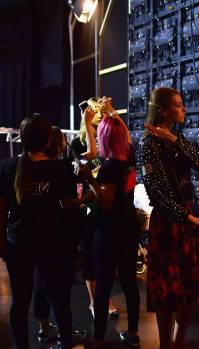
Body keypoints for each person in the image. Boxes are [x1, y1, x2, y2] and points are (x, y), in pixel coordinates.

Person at [0, 114, 88, 349]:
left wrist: (1, 241)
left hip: (17, 244)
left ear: (21, 139)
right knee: (59, 297)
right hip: (53, 243)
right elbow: (68, 204)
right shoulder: (59, 169)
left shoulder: (5, 167)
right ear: (49, 139)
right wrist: (83, 182)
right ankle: (65, 348)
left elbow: (3, 213)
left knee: (20, 301)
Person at [137, 88, 199, 349]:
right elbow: (155, 193)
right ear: (164, 110)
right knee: (168, 293)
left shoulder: (174, 139)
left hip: (185, 221)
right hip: (169, 224)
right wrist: (187, 218)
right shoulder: (146, 144)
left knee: (190, 289)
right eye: (178, 105)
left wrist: (173, 140)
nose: (184, 109)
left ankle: (179, 344)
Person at [88, 111, 141, 349]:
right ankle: (132, 333)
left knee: (103, 285)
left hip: (109, 229)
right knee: (130, 282)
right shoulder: (130, 155)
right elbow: (126, 136)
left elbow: (106, 202)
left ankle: (99, 340)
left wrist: (89, 179)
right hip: (129, 226)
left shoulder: (109, 167)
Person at [70, 105, 119, 320]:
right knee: (91, 255)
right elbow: (90, 161)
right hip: (89, 207)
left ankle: (104, 297)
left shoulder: (109, 140)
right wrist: (90, 129)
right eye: (97, 114)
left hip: (107, 205)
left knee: (106, 256)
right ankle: (94, 301)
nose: (100, 117)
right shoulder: (79, 142)